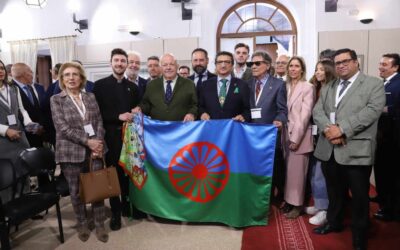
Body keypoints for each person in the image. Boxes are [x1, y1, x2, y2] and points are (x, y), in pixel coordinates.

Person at [312, 48, 385, 250]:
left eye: (345, 61)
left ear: (356, 63)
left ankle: (360, 235)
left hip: (356, 149)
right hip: (329, 148)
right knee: (334, 192)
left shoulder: (373, 84)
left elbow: (372, 111)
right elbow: (317, 111)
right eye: (337, 63)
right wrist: (329, 130)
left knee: (360, 196)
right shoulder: (329, 86)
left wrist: (342, 129)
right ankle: (334, 223)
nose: (341, 66)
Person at [50, 62, 108, 243]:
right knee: (75, 192)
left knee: (97, 189)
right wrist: (88, 142)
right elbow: (62, 128)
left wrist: (97, 143)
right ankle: (82, 223)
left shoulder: (90, 96)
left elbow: (99, 121)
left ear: (81, 78)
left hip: (95, 151)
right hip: (70, 152)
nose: (71, 78)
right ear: (61, 79)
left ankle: (99, 224)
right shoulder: (56, 100)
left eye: (75, 74)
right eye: (66, 75)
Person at [93, 48, 140, 231]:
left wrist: (137, 110)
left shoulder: (134, 87)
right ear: (110, 63)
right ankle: (115, 212)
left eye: (123, 61)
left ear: (127, 64)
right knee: (112, 175)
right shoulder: (99, 86)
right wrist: (117, 116)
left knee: (129, 172)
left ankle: (128, 207)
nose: (120, 64)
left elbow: (138, 107)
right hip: (110, 138)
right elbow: (96, 114)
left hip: (130, 138)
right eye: (116, 60)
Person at [247, 50, 288, 205]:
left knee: (273, 169)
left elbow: (283, 110)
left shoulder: (278, 85)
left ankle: (273, 198)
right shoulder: (247, 84)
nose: (254, 66)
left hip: (269, 136)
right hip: (250, 136)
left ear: (268, 65)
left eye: (258, 63)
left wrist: (279, 120)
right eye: (251, 63)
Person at [282, 56, 315, 219]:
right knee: (288, 172)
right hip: (284, 134)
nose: (293, 69)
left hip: (299, 135)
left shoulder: (308, 87)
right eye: (291, 66)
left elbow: (305, 115)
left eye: (297, 66)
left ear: (302, 69)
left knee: (298, 174)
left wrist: (296, 138)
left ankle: (298, 205)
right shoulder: (284, 85)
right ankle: (289, 201)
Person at [305, 60, 336, 226]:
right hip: (314, 135)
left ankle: (324, 209)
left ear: (329, 71)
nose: (317, 72)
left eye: (321, 70)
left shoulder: (333, 89)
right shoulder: (314, 88)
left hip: (327, 134)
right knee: (314, 173)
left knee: (321, 174)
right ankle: (319, 204)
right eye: (316, 69)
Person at [0, 59, 32, 202]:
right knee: (6, 174)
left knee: (23, 169)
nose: (0, 71)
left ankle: (26, 204)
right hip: (3, 140)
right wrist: (5, 130)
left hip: (19, 136)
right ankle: (9, 210)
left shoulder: (13, 88)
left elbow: (21, 109)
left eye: (1, 68)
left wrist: (29, 123)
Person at [373, 53, 400, 222]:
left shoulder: (398, 84)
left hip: (394, 138)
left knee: (392, 175)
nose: (380, 67)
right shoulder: (384, 83)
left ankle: (391, 209)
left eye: (385, 64)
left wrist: (384, 110)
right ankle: (383, 199)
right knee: (382, 171)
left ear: (395, 67)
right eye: (380, 64)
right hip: (382, 137)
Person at [133, 53, 197, 122]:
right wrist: (140, 108)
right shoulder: (151, 85)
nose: (168, 67)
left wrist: (191, 114)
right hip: (158, 129)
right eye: (165, 65)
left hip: (181, 128)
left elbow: (194, 105)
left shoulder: (189, 84)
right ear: (161, 68)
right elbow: (146, 104)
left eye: (171, 64)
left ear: (177, 66)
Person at [199, 51, 250, 122]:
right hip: (211, 128)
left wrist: (243, 116)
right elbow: (200, 106)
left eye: (227, 62)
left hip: (234, 128)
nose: (223, 65)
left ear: (232, 65)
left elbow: (248, 109)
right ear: (215, 65)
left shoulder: (242, 85)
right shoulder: (205, 85)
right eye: (219, 62)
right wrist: (202, 113)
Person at [11, 63, 46, 148]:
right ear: (23, 74)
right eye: (30, 71)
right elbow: (14, 112)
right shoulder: (11, 88)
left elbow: (37, 109)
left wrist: (40, 126)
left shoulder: (30, 87)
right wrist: (32, 128)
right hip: (21, 135)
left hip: (38, 133)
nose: (32, 74)